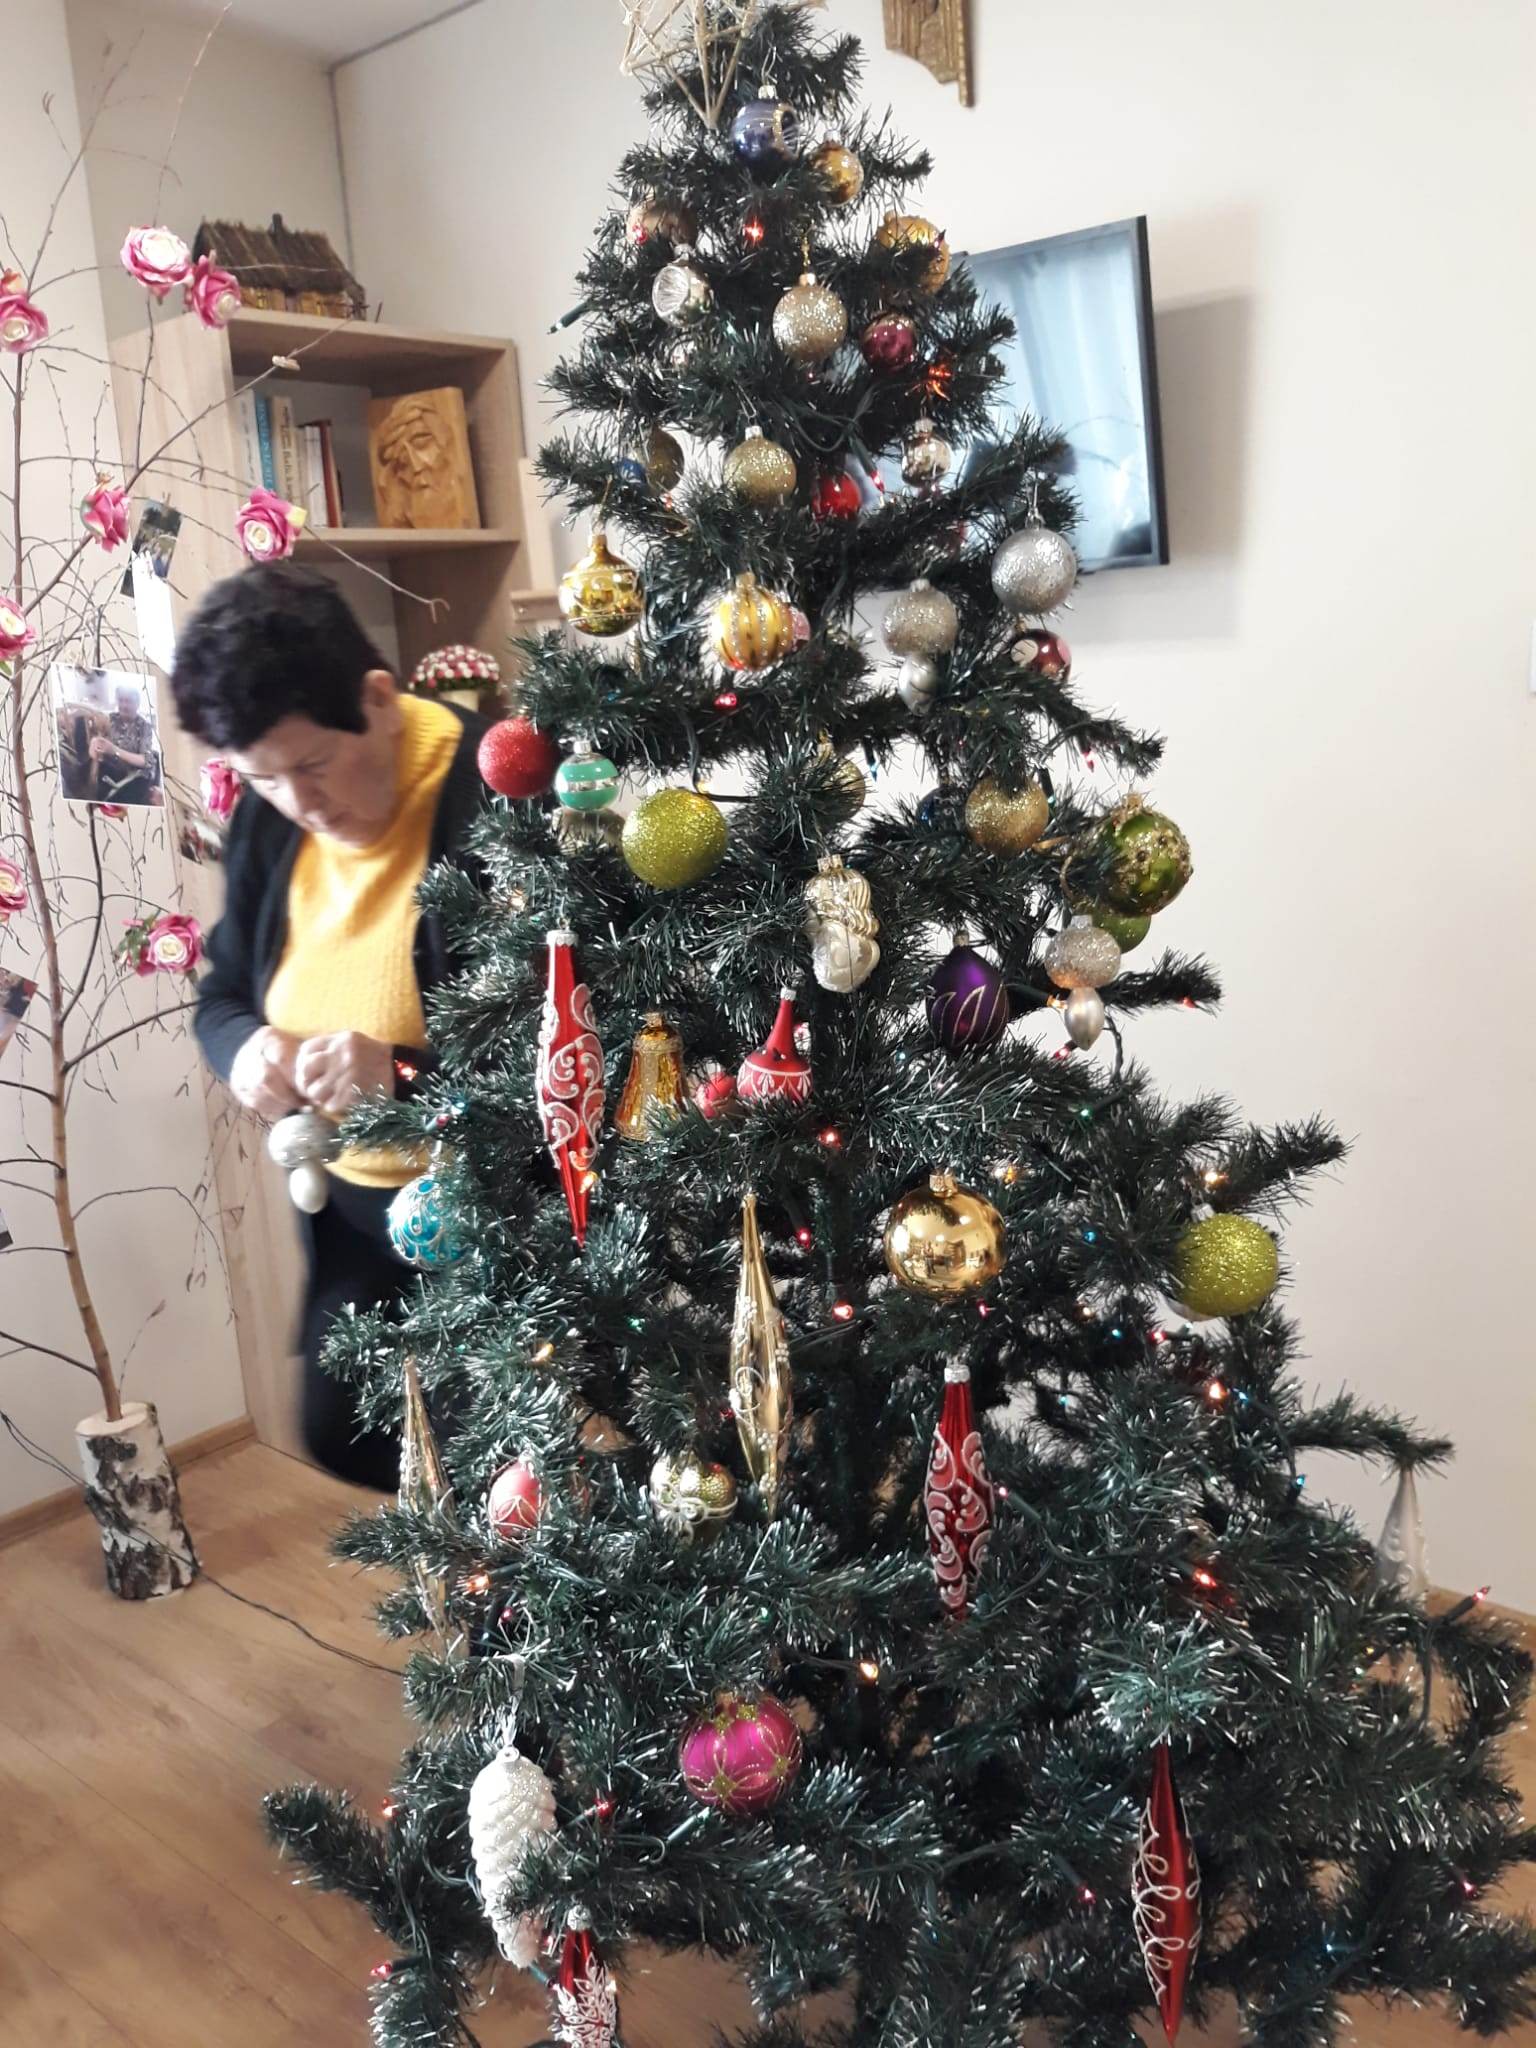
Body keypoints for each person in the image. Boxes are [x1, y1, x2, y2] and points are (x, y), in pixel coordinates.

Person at [171, 563, 491, 1487]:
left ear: (379, 700)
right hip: (351, 1211)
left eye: (312, 766)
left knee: (483, 1474)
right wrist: (245, 1051)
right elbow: (221, 996)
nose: (299, 806)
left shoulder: (497, 791)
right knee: (341, 1430)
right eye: (261, 779)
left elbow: (569, 1049)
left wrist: (403, 1077)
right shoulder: (272, 820)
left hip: (493, 1217)